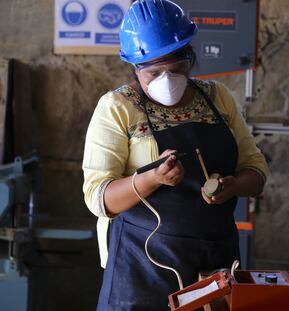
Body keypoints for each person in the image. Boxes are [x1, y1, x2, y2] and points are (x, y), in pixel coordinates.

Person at [82, 0, 269, 310]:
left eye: (177, 69)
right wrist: (151, 179)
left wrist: (234, 185)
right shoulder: (118, 108)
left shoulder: (217, 98)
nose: (166, 80)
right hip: (142, 268)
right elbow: (98, 198)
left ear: (190, 58)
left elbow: (256, 169)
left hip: (214, 262)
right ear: (135, 67)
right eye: (153, 72)